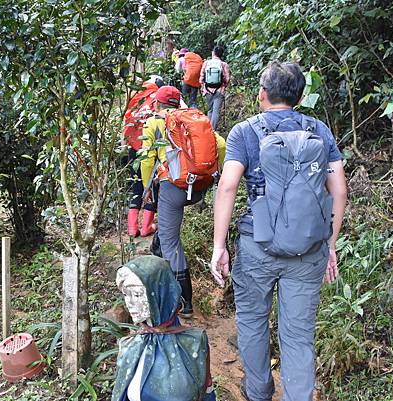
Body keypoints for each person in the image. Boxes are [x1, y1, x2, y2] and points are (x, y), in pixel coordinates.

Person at [209, 61, 348, 401]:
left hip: (258, 246)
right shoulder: (319, 130)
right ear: (299, 97)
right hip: (308, 250)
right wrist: (330, 244)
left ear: (262, 94)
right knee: (299, 335)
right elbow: (339, 191)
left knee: (253, 322)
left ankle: (258, 392)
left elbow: (227, 187)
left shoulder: (245, 132)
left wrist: (219, 245)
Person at [140, 85, 225, 317]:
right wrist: (212, 176)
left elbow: (147, 160)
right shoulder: (193, 119)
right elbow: (221, 145)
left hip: (173, 187)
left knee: (170, 242)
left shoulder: (154, 123)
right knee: (166, 235)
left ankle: (184, 301)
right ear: (178, 103)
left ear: (157, 104)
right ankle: (160, 254)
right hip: (198, 186)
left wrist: (147, 189)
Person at [112, 255, 216, 401]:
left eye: (137, 294)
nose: (129, 302)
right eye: (125, 294)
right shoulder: (129, 345)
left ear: (161, 293)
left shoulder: (194, 343)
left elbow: (206, 393)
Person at [122, 76, 164, 237]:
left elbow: (126, 121)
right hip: (151, 150)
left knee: (136, 186)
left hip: (133, 147)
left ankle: (132, 229)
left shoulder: (137, 97)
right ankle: (146, 227)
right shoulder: (158, 100)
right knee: (152, 187)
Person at [199, 45, 231, 131]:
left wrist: (203, 88)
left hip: (207, 90)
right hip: (219, 90)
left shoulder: (206, 63)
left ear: (213, 53)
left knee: (210, 110)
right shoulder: (224, 64)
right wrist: (224, 85)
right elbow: (227, 79)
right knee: (216, 111)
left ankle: (207, 130)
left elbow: (201, 78)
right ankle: (212, 131)